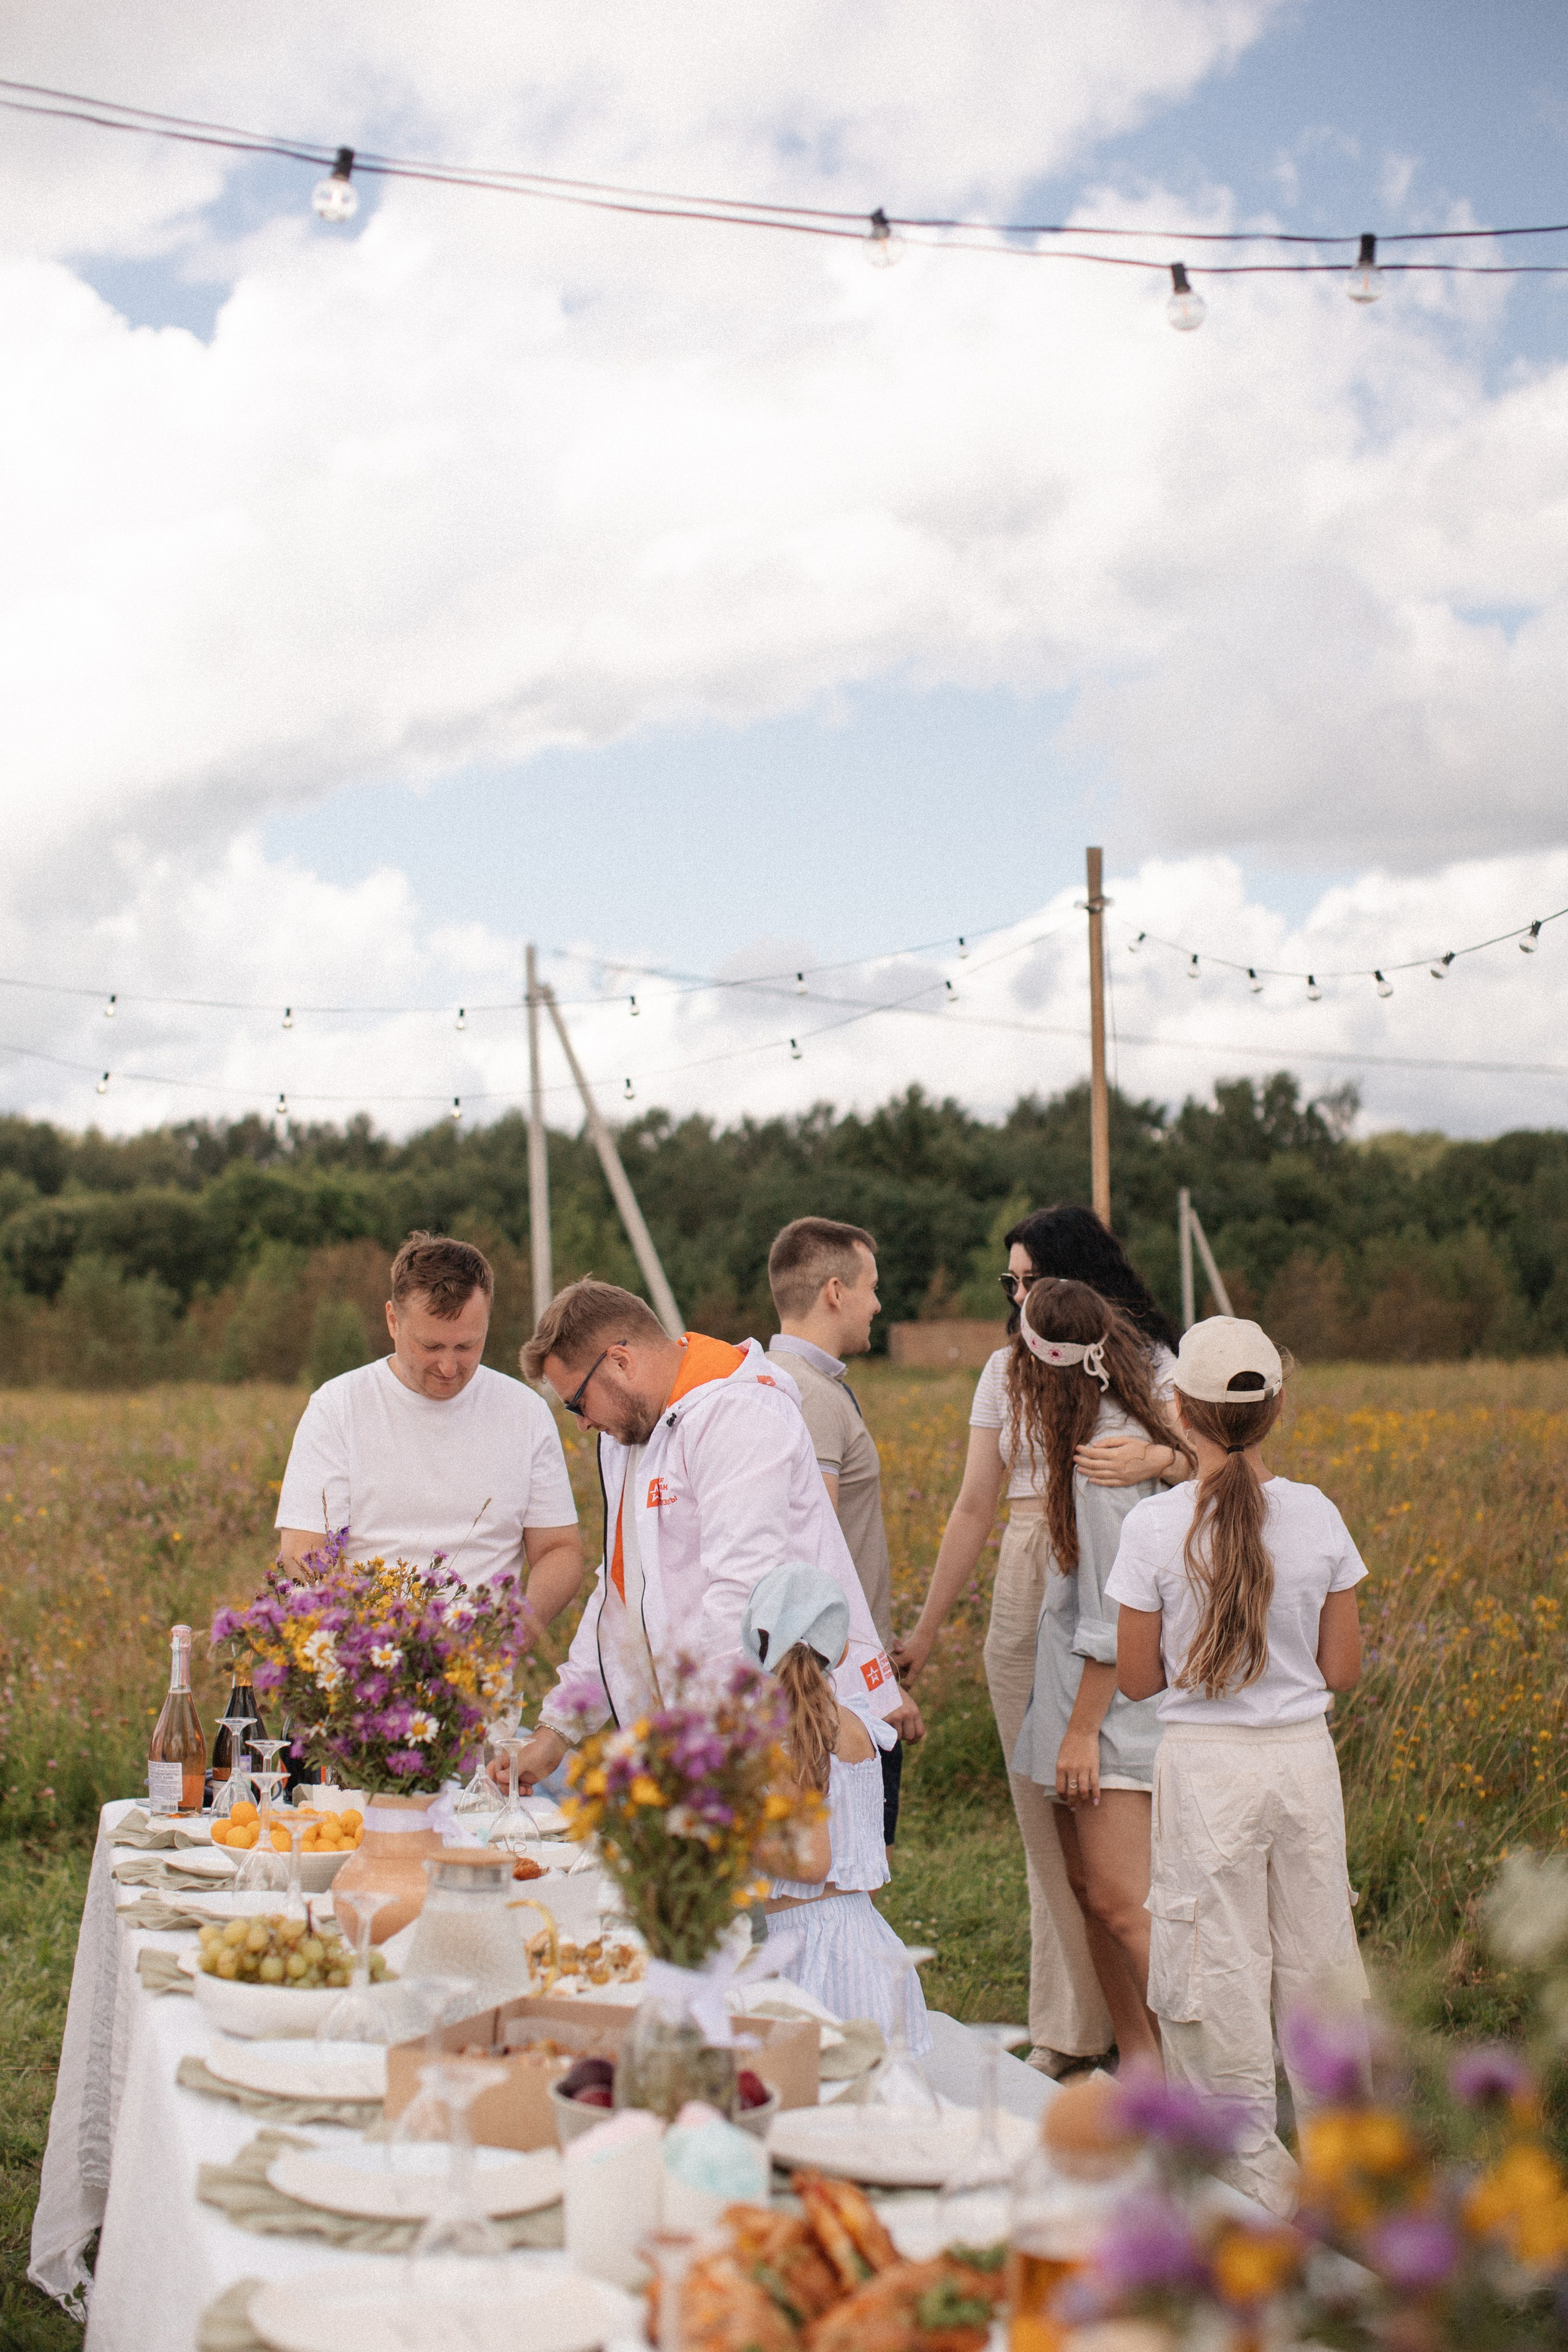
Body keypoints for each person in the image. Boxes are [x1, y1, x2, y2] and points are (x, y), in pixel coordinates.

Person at [891, 1205, 1183, 2075]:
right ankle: (1071, 2028)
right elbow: (974, 1503)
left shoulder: (1156, 1363)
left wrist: (1158, 1460)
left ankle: (1159, 2040)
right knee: (1043, 1819)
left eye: (1031, 1281)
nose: (1017, 1298)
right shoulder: (1001, 1370)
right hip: (1027, 1571)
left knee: (1111, 1800)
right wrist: (927, 1628)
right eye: (1009, 1283)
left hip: (1117, 1571)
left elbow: (1217, 1457)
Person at [1109, 1316, 1368, 2217]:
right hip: (1302, 1762)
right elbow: (1341, 1670)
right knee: (1317, 1957)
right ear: (1276, 1408)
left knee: (1215, 1961)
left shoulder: (1153, 1528)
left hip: (1207, 1768)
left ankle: (1249, 2167)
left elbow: (1137, 1677)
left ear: (1178, 1412)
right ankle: (1347, 2163)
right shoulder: (1321, 1515)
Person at [503, 1280, 902, 1788]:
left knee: (809, 1868)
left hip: (793, 1731)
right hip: (710, 1740)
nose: (581, 1424)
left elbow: (742, 1596)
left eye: (577, 1403)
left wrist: (695, 1752)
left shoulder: (739, 1414)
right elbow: (621, 1594)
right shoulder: (627, 1435)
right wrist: (556, 1731)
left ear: (621, 1362)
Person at [1008, 1280, 1176, 2071]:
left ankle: (1205, 2082)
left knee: (1121, 1901)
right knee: (1088, 1892)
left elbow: (1117, 1615)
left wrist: (1079, 1734)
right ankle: (1140, 2066)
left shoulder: (1101, 1456)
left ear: (1041, 1367)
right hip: (1073, 1705)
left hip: (1104, 1718)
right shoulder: (1095, 1435)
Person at [275, 1232, 582, 1623]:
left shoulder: (526, 1413)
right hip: (365, 1662)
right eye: (432, 1347)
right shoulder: (337, 1408)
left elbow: (559, 1549)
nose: (449, 1368)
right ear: (393, 1321)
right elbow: (304, 1553)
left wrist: (514, 1632)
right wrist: (366, 1643)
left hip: (480, 1670)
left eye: (467, 1347)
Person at [766, 1216, 924, 1856]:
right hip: (841, 1690)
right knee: (849, 1878)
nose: (878, 1304)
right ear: (835, 1291)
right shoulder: (811, 1398)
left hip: (836, 1677)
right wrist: (874, 1682)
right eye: (871, 1287)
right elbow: (816, 1556)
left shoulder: (789, 1381)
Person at [749, 1561, 930, 2053]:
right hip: (864, 1941)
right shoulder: (856, 1723)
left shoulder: (788, 1738)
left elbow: (811, 1862)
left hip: (816, 1957)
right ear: (841, 1648)